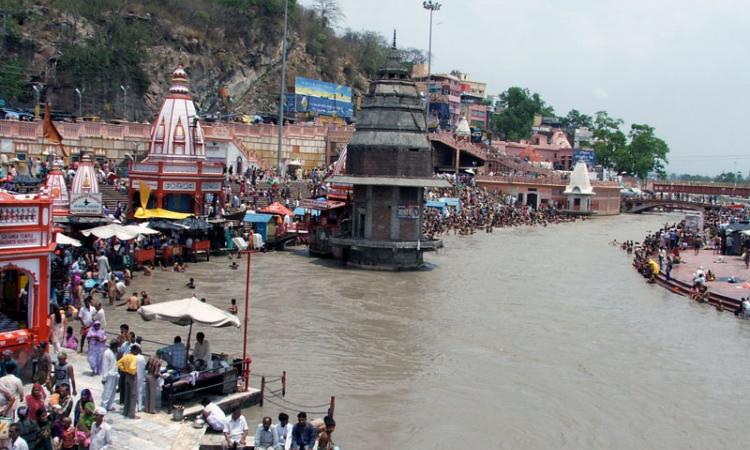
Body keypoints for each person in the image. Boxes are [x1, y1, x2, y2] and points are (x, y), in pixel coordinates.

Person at [116, 346, 139, 419]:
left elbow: (119, 363)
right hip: (132, 376)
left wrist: (124, 369)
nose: (138, 353)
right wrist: (133, 372)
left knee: (127, 394)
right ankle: (132, 414)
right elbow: (132, 368)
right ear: (134, 351)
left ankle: (125, 412)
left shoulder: (126, 356)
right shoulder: (134, 358)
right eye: (137, 351)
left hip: (126, 375)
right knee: (133, 395)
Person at [101, 340, 119, 412]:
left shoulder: (114, 353)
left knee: (112, 392)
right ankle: (104, 407)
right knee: (107, 393)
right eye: (117, 347)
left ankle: (109, 406)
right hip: (108, 376)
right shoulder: (107, 353)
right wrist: (104, 378)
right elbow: (105, 366)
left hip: (114, 375)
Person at [135, 344, 147, 412]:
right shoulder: (142, 357)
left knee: (134, 392)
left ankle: (135, 407)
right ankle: (139, 407)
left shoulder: (133, 357)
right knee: (140, 391)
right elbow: (144, 367)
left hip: (134, 376)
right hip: (141, 377)